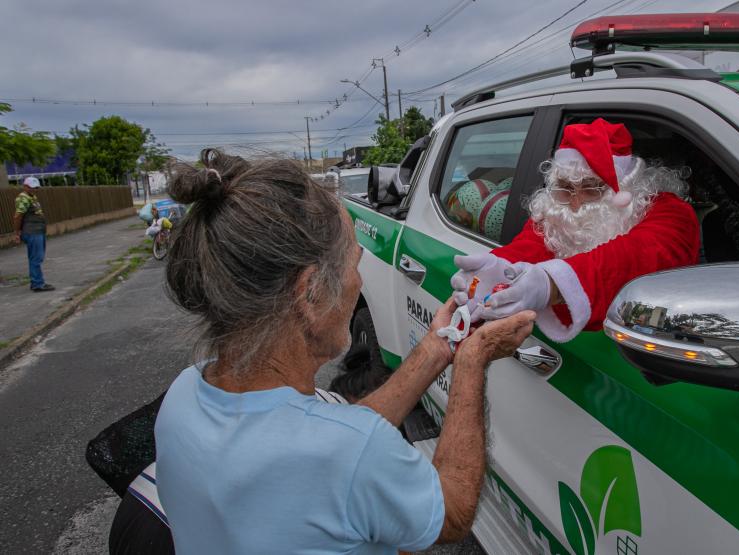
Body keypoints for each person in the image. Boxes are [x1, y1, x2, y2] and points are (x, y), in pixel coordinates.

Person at [152, 149, 536, 554]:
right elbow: (453, 510)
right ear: (312, 292)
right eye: (354, 263)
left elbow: (334, 441)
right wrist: (473, 361)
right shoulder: (346, 452)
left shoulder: (184, 394)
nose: (357, 282)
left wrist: (438, 347)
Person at [451, 119, 700, 342]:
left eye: (591, 188)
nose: (576, 203)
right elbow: (530, 247)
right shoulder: (553, 211)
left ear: (625, 188)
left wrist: (552, 284)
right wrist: (499, 270)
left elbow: (634, 256)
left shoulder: (671, 213)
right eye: (565, 187)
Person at [13, 176, 54, 292]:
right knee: (36, 258)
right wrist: (17, 232)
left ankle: (37, 282)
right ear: (25, 186)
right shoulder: (23, 198)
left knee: (37, 257)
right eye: (31, 187)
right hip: (32, 232)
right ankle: (37, 283)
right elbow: (18, 216)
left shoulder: (32, 197)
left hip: (37, 231)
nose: (34, 190)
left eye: (36, 188)